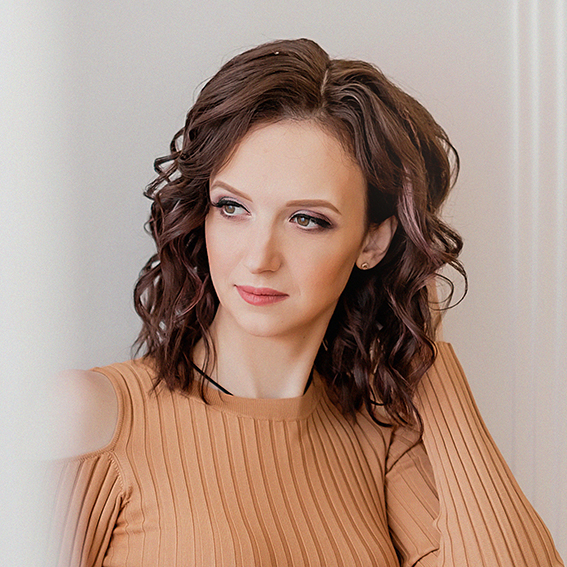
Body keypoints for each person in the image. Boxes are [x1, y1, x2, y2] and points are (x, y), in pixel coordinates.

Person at [49, 38, 564, 566]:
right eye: (233, 207)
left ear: (372, 241)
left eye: (306, 219)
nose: (259, 258)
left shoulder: (384, 442)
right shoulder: (91, 414)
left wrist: (425, 355)